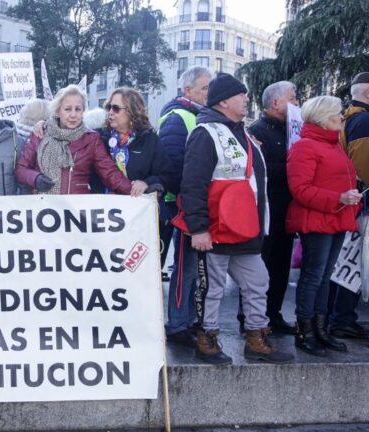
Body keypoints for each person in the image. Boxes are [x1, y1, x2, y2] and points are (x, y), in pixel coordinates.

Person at [181, 73, 293, 366]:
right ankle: (207, 339)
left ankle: (256, 337)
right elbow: (193, 184)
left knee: (258, 282)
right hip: (217, 229)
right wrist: (199, 228)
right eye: (241, 95)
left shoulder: (241, 133)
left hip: (245, 229)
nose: (246, 99)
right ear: (224, 101)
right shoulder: (205, 133)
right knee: (212, 289)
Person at [287, 96, 361, 356]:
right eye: (337, 115)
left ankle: (320, 328)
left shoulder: (333, 144)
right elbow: (300, 189)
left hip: (335, 217)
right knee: (313, 276)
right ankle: (304, 329)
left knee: (324, 275)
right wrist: (339, 198)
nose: (342, 118)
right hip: (318, 219)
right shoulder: (306, 146)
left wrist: (350, 194)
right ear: (323, 118)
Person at [331, 71, 369, 340]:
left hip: (347, 203)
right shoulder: (366, 122)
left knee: (341, 263)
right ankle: (342, 318)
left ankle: (337, 316)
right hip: (361, 207)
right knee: (355, 263)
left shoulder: (347, 117)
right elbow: (368, 173)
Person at [158, 66, 212, 348]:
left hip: (195, 206)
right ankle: (178, 323)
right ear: (187, 90)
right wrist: (191, 202)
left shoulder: (198, 116)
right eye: (204, 88)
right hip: (181, 207)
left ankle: (188, 320)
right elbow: (174, 164)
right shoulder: (178, 118)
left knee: (194, 267)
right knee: (184, 268)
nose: (208, 93)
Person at [15, 84, 146, 196]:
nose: (73, 115)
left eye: (78, 109)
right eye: (68, 109)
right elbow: (21, 170)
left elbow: (109, 173)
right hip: (45, 209)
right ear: (58, 111)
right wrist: (35, 178)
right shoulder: (40, 133)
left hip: (77, 212)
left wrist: (134, 189)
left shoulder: (92, 139)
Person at [247, 81, 299, 335]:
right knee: (262, 266)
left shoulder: (291, 130)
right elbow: (261, 170)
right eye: (293, 97)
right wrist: (297, 168)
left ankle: (274, 314)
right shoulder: (258, 130)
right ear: (276, 102)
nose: (297, 103)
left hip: (287, 209)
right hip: (267, 209)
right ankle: (252, 318)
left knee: (281, 265)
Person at [91, 87, 165, 196]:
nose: (110, 112)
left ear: (131, 111)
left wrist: (146, 183)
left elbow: (166, 176)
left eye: (116, 108)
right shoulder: (97, 138)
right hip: (102, 208)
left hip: (135, 208)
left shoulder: (150, 139)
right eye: (109, 107)